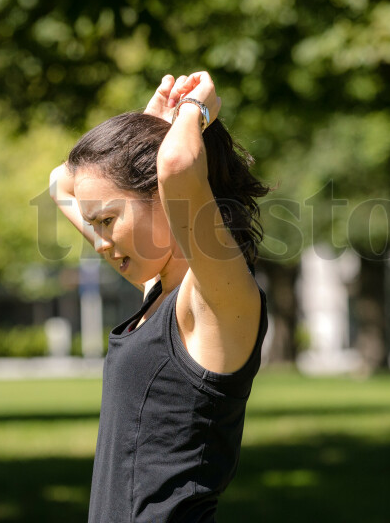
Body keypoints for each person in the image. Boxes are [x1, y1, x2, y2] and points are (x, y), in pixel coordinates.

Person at [49, 71, 271, 522]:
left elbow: (174, 167)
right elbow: (60, 182)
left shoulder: (214, 302)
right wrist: (146, 127)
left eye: (107, 221)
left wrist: (195, 108)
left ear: (165, 199)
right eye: (94, 225)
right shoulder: (160, 294)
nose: (100, 242)